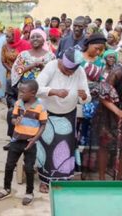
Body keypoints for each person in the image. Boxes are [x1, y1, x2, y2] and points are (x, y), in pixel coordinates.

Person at [36, 48, 90, 192]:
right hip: (47, 113)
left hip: (68, 115)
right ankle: (45, 180)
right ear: (61, 62)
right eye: (67, 70)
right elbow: (36, 88)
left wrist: (84, 96)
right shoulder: (52, 66)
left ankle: (64, 179)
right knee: (47, 147)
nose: (69, 73)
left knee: (65, 148)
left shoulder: (79, 72)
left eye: (71, 71)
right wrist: (54, 92)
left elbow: (86, 97)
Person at [0, 80, 46, 206]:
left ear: (33, 93)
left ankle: (29, 193)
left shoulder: (40, 106)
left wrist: (34, 140)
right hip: (16, 140)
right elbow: (12, 119)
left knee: (29, 168)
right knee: (9, 165)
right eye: (20, 91)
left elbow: (43, 125)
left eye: (23, 91)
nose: (20, 93)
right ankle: (6, 189)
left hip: (30, 142)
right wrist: (14, 122)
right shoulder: (18, 103)